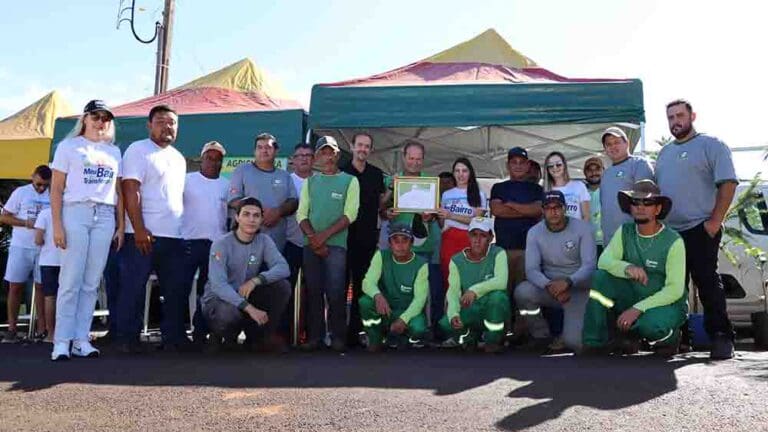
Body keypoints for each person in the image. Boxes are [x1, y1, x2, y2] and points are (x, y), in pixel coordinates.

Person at [655, 99, 738, 360]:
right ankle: (678, 339)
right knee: (673, 287)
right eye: (670, 117)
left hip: (700, 228)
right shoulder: (664, 154)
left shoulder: (712, 145)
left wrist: (714, 222)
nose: (675, 121)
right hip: (670, 233)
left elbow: (728, 184)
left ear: (693, 116)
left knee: (707, 283)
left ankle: (722, 336)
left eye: (680, 115)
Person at [49, 100, 123, 360]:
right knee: (70, 280)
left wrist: (121, 225)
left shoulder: (114, 151)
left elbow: (118, 190)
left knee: (92, 282)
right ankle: (61, 342)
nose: (100, 122)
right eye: (95, 116)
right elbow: (56, 188)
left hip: (105, 214)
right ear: (85, 119)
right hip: (75, 212)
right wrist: (57, 225)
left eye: (105, 118)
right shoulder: (69, 147)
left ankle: (81, 339)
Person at [582, 180, 687, 357]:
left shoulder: (673, 241)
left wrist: (637, 309)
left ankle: (670, 338)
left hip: (664, 303)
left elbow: (674, 290)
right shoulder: (625, 231)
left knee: (651, 326)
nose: (640, 207)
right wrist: (627, 267)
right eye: (635, 202)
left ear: (658, 209)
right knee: (600, 278)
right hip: (632, 295)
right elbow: (604, 261)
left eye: (647, 202)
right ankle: (595, 342)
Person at [116, 104, 187, 353]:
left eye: (172, 123)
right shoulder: (138, 150)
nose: (167, 127)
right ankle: (127, 339)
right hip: (143, 235)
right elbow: (130, 190)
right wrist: (139, 229)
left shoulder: (179, 158)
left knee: (175, 290)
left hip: (174, 236)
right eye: (161, 122)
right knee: (133, 288)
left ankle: (173, 338)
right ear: (149, 125)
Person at [201, 197, 291, 353]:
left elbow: (283, 268)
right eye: (246, 214)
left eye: (256, 215)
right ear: (237, 217)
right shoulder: (221, 244)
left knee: (282, 286)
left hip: (246, 294)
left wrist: (256, 280)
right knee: (228, 313)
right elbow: (218, 285)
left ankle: (260, 337)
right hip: (219, 300)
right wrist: (249, 308)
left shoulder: (264, 240)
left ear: (261, 219)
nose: (251, 219)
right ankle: (220, 336)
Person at [297, 136, 360, 352]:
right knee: (314, 291)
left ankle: (337, 337)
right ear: (316, 157)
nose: (327, 156)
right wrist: (313, 239)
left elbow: (350, 214)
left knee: (336, 292)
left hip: (336, 246)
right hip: (311, 245)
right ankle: (315, 337)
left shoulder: (350, 181)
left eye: (331, 152)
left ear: (337, 154)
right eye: (323, 152)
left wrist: (321, 238)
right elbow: (301, 214)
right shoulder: (310, 182)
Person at [514, 190, 596, 353]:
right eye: (548, 208)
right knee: (522, 291)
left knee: (575, 344)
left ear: (565, 208)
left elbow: (589, 266)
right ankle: (540, 335)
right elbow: (531, 270)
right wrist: (550, 286)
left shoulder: (583, 229)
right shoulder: (534, 232)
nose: (553, 212)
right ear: (542, 210)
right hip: (550, 288)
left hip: (577, 289)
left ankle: (571, 335)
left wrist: (568, 282)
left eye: (557, 207)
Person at [381, 140, 444, 330]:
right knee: (397, 290)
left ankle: (425, 330)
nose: (414, 162)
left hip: (424, 246)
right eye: (411, 158)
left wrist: (430, 216)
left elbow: (437, 214)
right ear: (404, 157)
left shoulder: (431, 183)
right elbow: (381, 209)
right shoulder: (391, 181)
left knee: (424, 291)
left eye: (418, 159)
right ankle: (396, 329)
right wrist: (387, 212)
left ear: (423, 160)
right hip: (397, 246)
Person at [180, 141, 229, 345]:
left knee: (208, 292)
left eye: (218, 159)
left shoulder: (227, 185)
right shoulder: (186, 180)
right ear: (201, 159)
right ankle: (176, 335)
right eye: (209, 158)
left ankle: (201, 333)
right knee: (180, 289)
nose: (213, 162)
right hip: (188, 242)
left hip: (216, 245)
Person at [439, 217, 510, 353]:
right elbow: (453, 292)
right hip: (471, 308)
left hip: (491, 307)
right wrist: (454, 314)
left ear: (491, 238)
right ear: (468, 236)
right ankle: (470, 337)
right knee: (446, 323)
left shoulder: (498, 253)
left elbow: (501, 282)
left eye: (483, 235)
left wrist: (474, 291)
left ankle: (493, 340)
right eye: (474, 234)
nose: (477, 240)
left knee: (498, 298)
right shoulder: (456, 260)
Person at [341, 132, 385, 347]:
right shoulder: (341, 172)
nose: (363, 149)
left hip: (367, 240)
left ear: (371, 150)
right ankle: (338, 333)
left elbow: (381, 205)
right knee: (339, 288)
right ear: (352, 146)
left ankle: (355, 333)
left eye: (367, 146)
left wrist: (393, 198)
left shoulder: (376, 174)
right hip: (341, 239)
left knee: (361, 288)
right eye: (359, 145)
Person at [1, 164, 51, 343]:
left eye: (45, 185)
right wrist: (25, 223)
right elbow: (4, 216)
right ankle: (12, 328)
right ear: (32, 177)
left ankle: (42, 329)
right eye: (38, 184)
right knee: (15, 286)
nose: (42, 188)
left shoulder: (53, 194)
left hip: (44, 247)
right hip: (21, 246)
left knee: (42, 287)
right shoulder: (21, 192)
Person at [359, 223, 429, 351]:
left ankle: (400, 338)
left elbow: (420, 300)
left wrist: (403, 319)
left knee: (418, 328)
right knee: (365, 302)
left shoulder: (421, 264)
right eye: (396, 241)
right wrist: (377, 295)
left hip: (408, 311)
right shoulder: (381, 256)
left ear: (412, 243)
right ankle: (375, 339)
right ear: (390, 243)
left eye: (405, 240)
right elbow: (367, 282)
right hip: (386, 310)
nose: (400, 245)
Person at [228, 132, 298, 251]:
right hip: (245, 243)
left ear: (276, 151)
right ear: (254, 151)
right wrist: (258, 212)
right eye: (259, 147)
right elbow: (233, 200)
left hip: (276, 244)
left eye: (268, 147)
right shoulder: (242, 170)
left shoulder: (285, 176)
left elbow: (293, 202)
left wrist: (278, 212)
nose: (264, 151)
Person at [490, 147, 543, 297]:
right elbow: (497, 210)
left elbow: (538, 210)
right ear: (508, 165)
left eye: (522, 162)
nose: (518, 166)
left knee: (524, 295)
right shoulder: (498, 187)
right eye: (514, 162)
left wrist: (511, 204)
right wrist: (526, 210)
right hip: (503, 250)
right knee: (502, 294)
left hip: (528, 251)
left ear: (527, 165)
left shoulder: (536, 189)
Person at [438, 158, 487, 293]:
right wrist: (439, 215)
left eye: (464, 171)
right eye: (457, 171)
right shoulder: (446, 195)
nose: (461, 174)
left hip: (469, 239)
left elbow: (477, 221)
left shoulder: (479, 194)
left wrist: (451, 216)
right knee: (449, 278)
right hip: (448, 238)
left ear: (470, 173)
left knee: (469, 277)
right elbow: (442, 222)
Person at [599, 127, 654, 245]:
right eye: (609, 144)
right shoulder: (606, 174)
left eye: (617, 142)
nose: (613, 147)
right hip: (610, 241)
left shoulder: (639, 164)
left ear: (627, 143)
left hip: (635, 239)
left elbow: (648, 203)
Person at [283, 143, 314, 341]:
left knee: (313, 292)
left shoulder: (320, 181)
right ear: (293, 159)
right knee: (286, 290)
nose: (304, 158)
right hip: (289, 242)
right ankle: (284, 336)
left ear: (314, 159)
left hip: (314, 244)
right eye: (299, 155)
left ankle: (311, 336)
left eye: (308, 155)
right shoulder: (285, 181)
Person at [33, 207, 59, 343]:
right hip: (67, 260)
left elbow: (38, 239)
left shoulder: (44, 213)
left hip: (48, 260)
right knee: (69, 297)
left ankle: (51, 333)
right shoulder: (72, 212)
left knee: (50, 297)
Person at [544, 151, 590, 221]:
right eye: (550, 165)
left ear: (564, 165)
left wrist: (581, 228)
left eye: (558, 164)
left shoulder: (579, 186)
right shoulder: (546, 190)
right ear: (547, 169)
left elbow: (586, 216)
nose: (555, 167)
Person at [583, 156, 605, 255]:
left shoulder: (611, 189)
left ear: (603, 170)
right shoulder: (580, 192)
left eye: (597, 169)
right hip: (586, 241)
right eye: (590, 170)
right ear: (585, 173)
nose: (594, 173)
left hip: (608, 241)